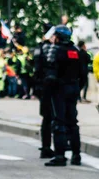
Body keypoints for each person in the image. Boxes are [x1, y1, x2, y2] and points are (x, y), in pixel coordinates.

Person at [43, 25, 82, 167]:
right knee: (73, 122)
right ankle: (76, 155)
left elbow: (51, 72)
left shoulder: (56, 50)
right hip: (73, 87)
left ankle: (60, 156)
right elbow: (82, 72)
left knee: (59, 122)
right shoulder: (75, 51)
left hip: (60, 89)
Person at [35, 23, 55, 159]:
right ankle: (53, 147)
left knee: (46, 118)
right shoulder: (51, 48)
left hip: (43, 87)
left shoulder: (40, 48)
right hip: (52, 87)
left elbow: (36, 69)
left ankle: (46, 146)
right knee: (54, 118)